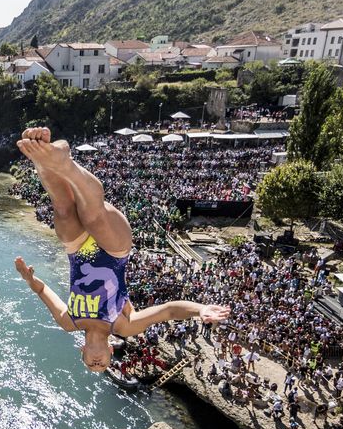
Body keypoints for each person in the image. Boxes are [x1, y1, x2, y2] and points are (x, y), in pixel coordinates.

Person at [13, 128, 229, 372]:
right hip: (113, 251)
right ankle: (66, 163)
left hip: (76, 250)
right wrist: (200, 309)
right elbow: (168, 311)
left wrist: (29, 278)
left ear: (82, 352)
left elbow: (42, 291)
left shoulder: (68, 322)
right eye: (103, 365)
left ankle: (41, 157)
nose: (97, 364)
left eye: (90, 365)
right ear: (111, 351)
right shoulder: (123, 327)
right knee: (93, 215)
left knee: (62, 207)